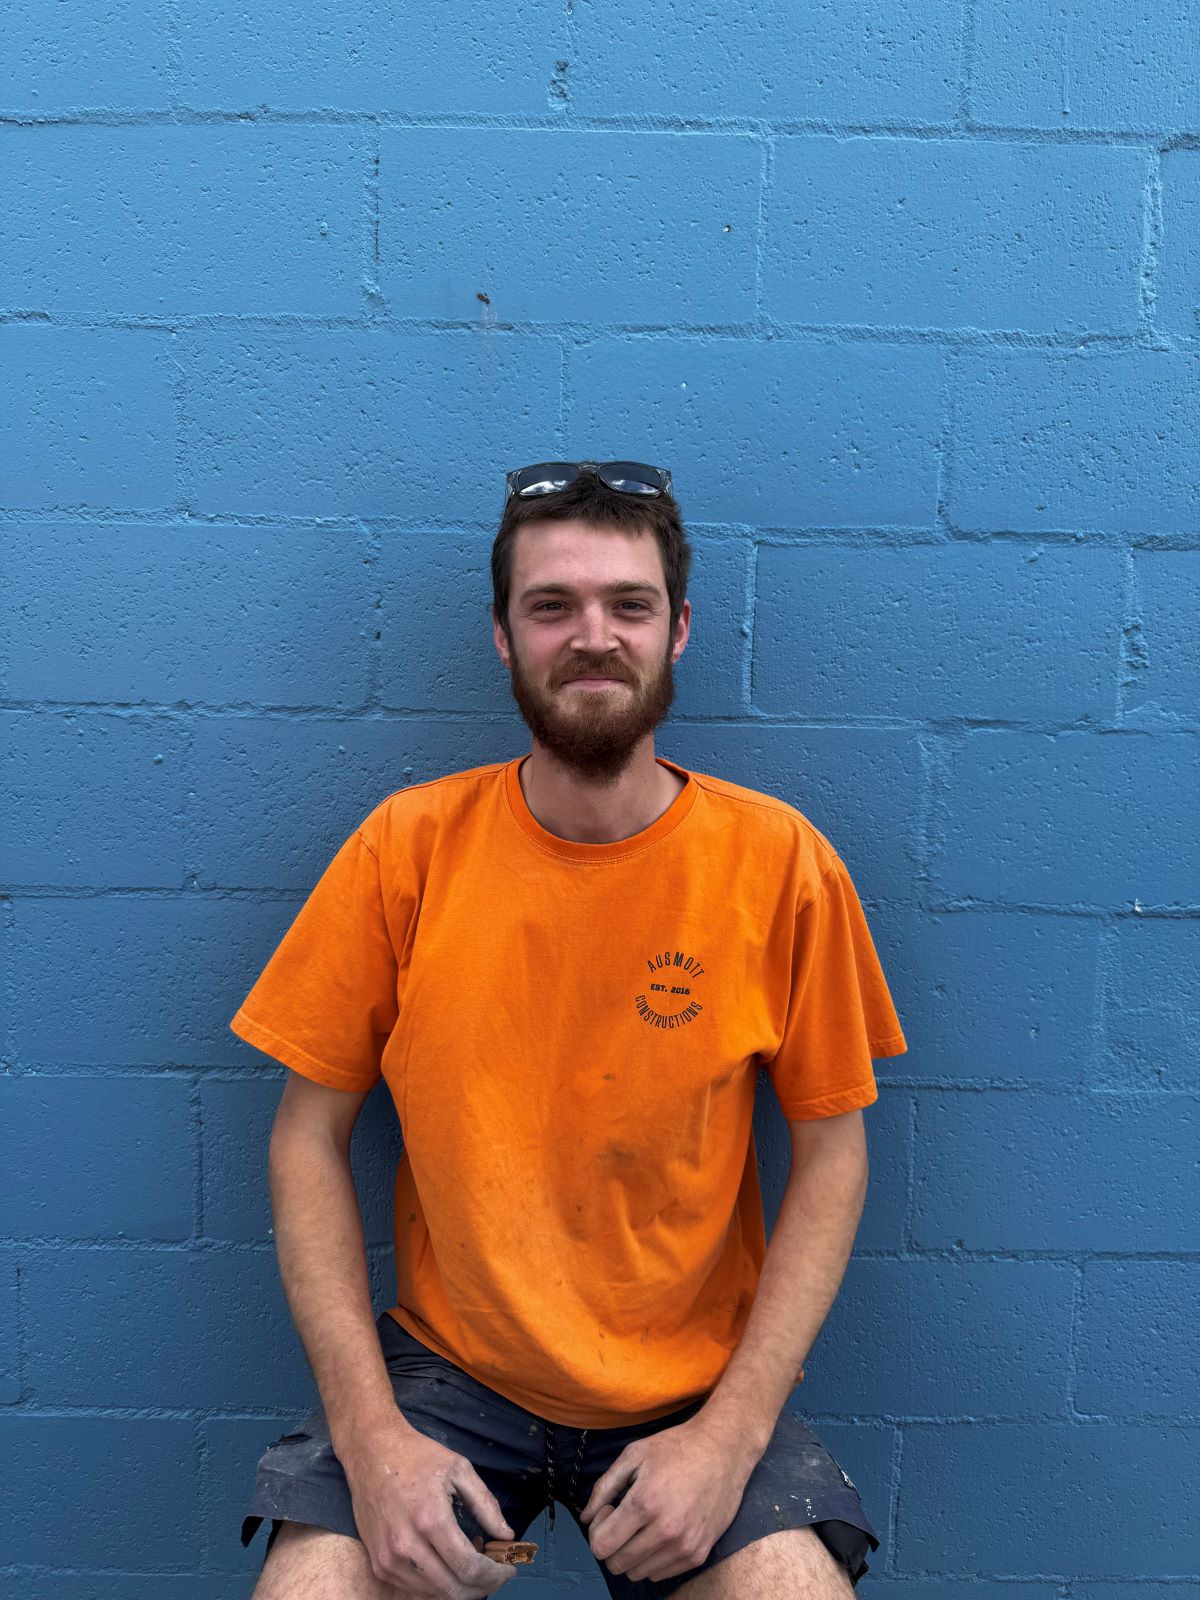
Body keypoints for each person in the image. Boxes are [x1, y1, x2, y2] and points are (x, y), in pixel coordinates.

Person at [231, 461, 908, 1600]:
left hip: (692, 1387)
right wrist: (371, 1438)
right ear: (503, 635)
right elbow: (306, 1138)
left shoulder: (779, 864)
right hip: (448, 1373)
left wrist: (730, 1437)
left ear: (678, 629)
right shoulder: (407, 851)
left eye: (628, 604)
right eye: (552, 605)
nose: (593, 636)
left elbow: (834, 1156)